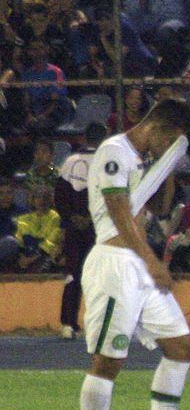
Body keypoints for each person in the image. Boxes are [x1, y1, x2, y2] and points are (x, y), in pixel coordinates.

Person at [78, 98, 190, 410]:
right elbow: (118, 213)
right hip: (116, 265)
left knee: (180, 345)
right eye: (171, 139)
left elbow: (156, 210)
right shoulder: (114, 152)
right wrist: (153, 263)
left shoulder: (144, 160)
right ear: (157, 128)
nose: (169, 147)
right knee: (109, 361)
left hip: (138, 264)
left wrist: (166, 172)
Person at [55, 121, 105, 339]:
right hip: (99, 227)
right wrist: (92, 218)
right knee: (101, 277)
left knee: (73, 274)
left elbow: (60, 195)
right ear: (104, 139)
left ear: (84, 138)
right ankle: (101, 325)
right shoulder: (108, 162)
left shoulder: (71, 162)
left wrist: (71, 217)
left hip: (75, 228)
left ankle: (68, 324)